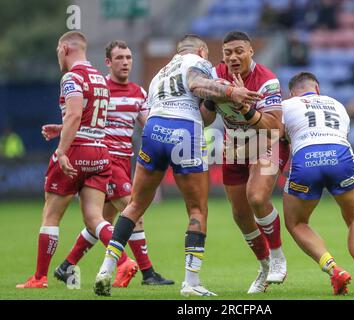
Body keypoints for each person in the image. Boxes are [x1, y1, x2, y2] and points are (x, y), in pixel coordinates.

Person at [93, 34, 262, 297]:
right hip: (183, 131)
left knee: (135, 205)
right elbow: (196, 85)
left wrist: (213, 100)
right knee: (197, 210)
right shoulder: (197, 62)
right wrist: (230, 91)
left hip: (153, 130)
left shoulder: (160, 73)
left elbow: (204, 114)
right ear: (202, 51)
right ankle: (191, 283)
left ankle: (105, 268)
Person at [42, 40, 173, 287]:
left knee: (102, 222)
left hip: (125, 161)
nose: (125, 62)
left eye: (128, 57)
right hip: (105, 160)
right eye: (120, 58)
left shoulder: (139, 92)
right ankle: (148, 273)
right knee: (134, 213)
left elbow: (150, 126)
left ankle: (66, 266)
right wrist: (63, 129)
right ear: (108, 62)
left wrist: (168, 139)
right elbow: (82, 116)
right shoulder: (99, 87)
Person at [16, 31, 136, 288]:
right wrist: (63, 129)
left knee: (51, 215)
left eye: (57, 51)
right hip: (99, 151)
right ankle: (123, 261)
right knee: (94, 217)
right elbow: (89, 118)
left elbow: (73, 115)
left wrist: (61, 150)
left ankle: (39, 277)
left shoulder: (72, 77)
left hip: (77, 150)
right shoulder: (100, 80)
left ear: (64, 48)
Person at [201, 31, 289, 293]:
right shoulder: (217, 76)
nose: (233, 57)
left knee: (257, 197)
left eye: (239, 51)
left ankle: (277, 258)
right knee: (240, 215)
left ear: (251, 51)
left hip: (267, 142)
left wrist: (245, 108)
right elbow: (205, 119)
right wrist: (213, 96)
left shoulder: (267, 81)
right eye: (228, 52)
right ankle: (264, 268)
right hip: (234, 146)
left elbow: (274, 128)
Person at [282, 72, 354, 296]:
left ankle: (334, 269)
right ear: (316, 88)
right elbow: (343, 133)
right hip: (340, 155)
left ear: (292, 92)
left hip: (306, 157)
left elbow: (276, 135)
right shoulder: (337, 104)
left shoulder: (286, 105)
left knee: (296, 223)